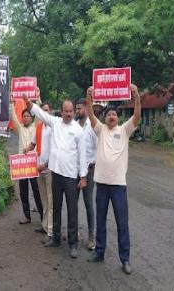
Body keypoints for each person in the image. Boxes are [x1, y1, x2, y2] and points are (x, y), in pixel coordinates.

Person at [86, 85, 141, 275]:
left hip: (118, 186)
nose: (111, 116)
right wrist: (89, 97)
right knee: (100, 220)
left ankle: (125, 259)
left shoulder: (125, 130)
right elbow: (91, 115)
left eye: (114, 115)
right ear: (105, 118)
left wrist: (137, 96)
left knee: (121, 223)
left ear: (118, 118)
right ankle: (99, 253)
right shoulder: (100, 130)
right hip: (101, 184)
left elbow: (137, 116)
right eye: (108, 114)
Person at [24, 96, 87, 259]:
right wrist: (30, 104)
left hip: (71, 177)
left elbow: (82, 156)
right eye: (65, 111)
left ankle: (73, 243)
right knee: (56, 208)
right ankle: (56, 238)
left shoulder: (78, 130)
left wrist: (83, 176)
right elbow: (41, 114)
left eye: (71, 111)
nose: (68, 114)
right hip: (56, 174)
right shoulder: (56, 123)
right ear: (61, 111)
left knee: (72, 211)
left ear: (73, 112)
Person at [10, 99, 43, 225]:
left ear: (31, 118)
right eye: (23, 116)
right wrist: (12, 104)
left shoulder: (36, 127)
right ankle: (26, 216)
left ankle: (42, 216)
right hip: (21, 166)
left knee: (37, 192)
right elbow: (13, 117)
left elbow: (40, 113)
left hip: (33, 165)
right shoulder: (20, 128)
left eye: (28, 116)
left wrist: (38, 99)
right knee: (23, 192)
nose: (25, 118)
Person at [75, 98, 98, 250]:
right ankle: (74, 233)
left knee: (88, 203)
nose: (77, 111)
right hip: (75, 171)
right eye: (76, 109)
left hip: (89, 171)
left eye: (79, 108)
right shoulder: (75, 126)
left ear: (86, 108)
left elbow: (99, 148)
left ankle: (91, 237)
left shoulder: (93, 127)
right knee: (73, 203)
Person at [29, 102, 53, 239]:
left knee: (51, 201)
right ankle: (44, 225)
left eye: (46, 110)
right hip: (39, 170)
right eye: (42, 110)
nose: (44, 113)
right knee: (44, 200)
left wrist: (45, 164)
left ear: (50, 112)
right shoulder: (38, 127)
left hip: (50, 169)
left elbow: (55, 150)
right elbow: (33, 144)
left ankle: (50, 230)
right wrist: (27, 149)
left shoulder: (53, 128)